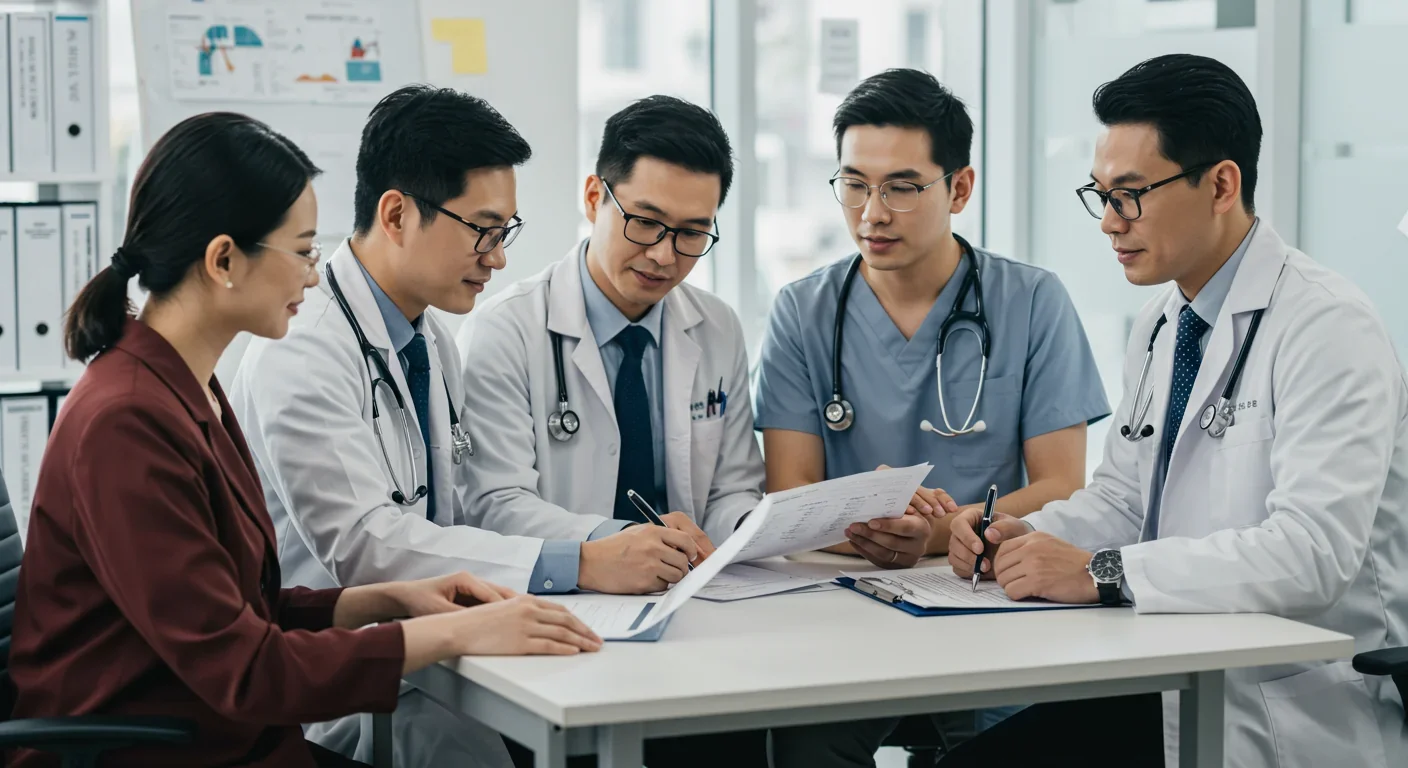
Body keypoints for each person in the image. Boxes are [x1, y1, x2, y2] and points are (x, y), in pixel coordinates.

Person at [7, 112, 600, 768]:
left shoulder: (185, 386)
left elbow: (242, 608)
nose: (314, 276)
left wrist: (386, 601)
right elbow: (244, 667)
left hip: (222, 735)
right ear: (224, 260)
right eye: (301, 251)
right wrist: (449, 632)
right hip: (162, 751)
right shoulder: (126, 421)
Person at [941, 54, 1408, 768]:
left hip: (1294, 705)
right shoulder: (1163, 323)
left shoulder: (1327, 325)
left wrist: (1101, 572)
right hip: (1172, 669)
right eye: (1099, 195)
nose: (1108, 223)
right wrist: (1021, 534)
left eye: (1129, 195)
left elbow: (1314, 554)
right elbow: (1128, 499)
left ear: (1222, 184)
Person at [226, 86, 692, 765]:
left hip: (437, 651)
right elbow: (366, 546)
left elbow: (465, 506)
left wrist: (611, 544)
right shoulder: (306, 345)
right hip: (341, 686)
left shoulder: (426, 337)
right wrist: (583, 562)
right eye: (483, 230)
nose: (498, 258)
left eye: (506, 233)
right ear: (396, 213)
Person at [759, 69, 1110, 768]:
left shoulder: (1032, 302)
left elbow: (1061, 487)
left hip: (987, 593)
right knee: (804, 749)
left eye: (902, 187)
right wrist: (877, 525)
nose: (871, 212)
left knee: (1016, 744)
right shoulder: (802, 312)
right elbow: (788, 496)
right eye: (854, 184)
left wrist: (930, 538)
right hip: (842, 603)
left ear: (960, 187)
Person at [456, 95, 766, 767]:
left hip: (695, 624)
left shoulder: (716, 326)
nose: (664, 254)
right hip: (564, 625)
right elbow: (492, 503)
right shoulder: (506, 330)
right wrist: (615, 544)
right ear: (595, 195)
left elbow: (736, 485)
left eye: (692, 233)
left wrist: (740, 529)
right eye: (646, 222)